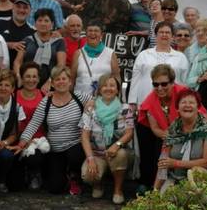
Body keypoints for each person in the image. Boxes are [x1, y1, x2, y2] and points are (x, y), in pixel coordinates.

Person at [18, 67, 92, 195]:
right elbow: (33, 124)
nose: (61, 82)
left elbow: (97, 100)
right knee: (54, 188)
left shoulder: (80, 97)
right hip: (55, 149)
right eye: (57, 79)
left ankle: (74, 176)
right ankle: (65, 177)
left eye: (64, 79)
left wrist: (90, 105)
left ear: (70, 82)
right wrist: (21, 144)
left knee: (74, 156)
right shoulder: (46, 102)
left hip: (75, 145)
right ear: (52, 83)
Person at [136, 64, 207, 194]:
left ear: (172, 82)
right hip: (169, 138)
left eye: (164, 84)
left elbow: (204, 116)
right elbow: (155, 128)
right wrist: (170, 136)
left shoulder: (184, 94)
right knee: (162, 161)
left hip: (193, 137)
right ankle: (153, 189)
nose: (159, 88)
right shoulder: (150, 100)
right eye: (155, 84)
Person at [80, 73, 134, 204]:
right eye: (104, 85)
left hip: (118, 153)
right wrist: (90, 159)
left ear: (117, 90)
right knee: (87, 175)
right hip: (97, 154)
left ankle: (118, 189)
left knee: (120, 155)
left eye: (112, 86)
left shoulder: (126, 109)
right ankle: (98, 185)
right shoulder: (91, 108)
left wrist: (117, 144)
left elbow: (129, 133)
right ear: (99, 89)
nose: (108, 88)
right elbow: (84, 137)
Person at [156, 90, 207, 193]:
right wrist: (155, 190)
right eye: (183, 102)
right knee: (161, 199)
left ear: (198, 107)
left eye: (191, 102)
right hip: (175, 178)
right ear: (177, 108)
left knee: (196, 171)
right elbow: (163, 163)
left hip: (203, 177)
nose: (187, 105)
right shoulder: (172, 129)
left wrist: (176, 163)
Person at [129, 22, 190, 108]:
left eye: (167, 32)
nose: (164, 35)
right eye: (161, 32)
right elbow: (136, 78)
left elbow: (184, 82)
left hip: (173, 102)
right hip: (145, 99)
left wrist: (184, 102)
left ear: (172, 36)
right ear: (155, 35)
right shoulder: (144, 54)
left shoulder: (181, 57)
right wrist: (132, 101)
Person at [14, 8, 66, 90]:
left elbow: (61, 65)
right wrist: (19, 76)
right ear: (35, 23)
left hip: (50, 85)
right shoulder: (27, 40)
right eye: (40, 20)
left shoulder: (59, 42)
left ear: (52, 24)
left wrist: (50, 81)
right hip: (27, 83)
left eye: (46, 21)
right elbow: (18, 61)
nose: (43, 24)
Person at [15, 62, 48, 190]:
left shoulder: (45, 96)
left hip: (38, 141)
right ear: (22, 78)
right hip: (18, 139)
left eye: (34, 76)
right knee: (15, 185)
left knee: (35, 158)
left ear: (39, 79)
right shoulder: (14, 95)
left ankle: (34, 172)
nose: (31, 80)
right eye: (27, 76)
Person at [71, 21, 120, 95]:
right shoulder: (78, 53)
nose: (92, 33)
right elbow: (72, 79)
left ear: (101, 35)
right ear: (86, 34)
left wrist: (118, 96)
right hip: (80, 98)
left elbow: (116, 77)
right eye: (90, 31)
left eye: (96, 31)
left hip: (103, 99)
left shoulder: (110, 53)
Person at [0, 0, 35, 65]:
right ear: (12, 8)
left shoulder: (33, 31)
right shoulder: (0, 22)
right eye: (18, 6)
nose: (21, 10)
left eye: (25, 8)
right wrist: (9, 45)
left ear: (30, 11)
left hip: (22, 72)